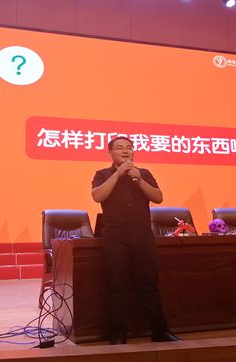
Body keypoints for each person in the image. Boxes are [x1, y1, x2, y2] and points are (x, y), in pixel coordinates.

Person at [91, 136, 180, 344]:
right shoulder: (102, 174)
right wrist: (118, 173)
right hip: (115, 238)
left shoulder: (144, 173)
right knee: (117, 286)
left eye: (129, 147)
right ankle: (118, 334)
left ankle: (160, 331)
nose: (125, 151)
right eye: (119, 148)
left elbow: (158, 197)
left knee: (149, 285)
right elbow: (98, 196)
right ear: (110, 153)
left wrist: (139, 179)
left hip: (143, 237)